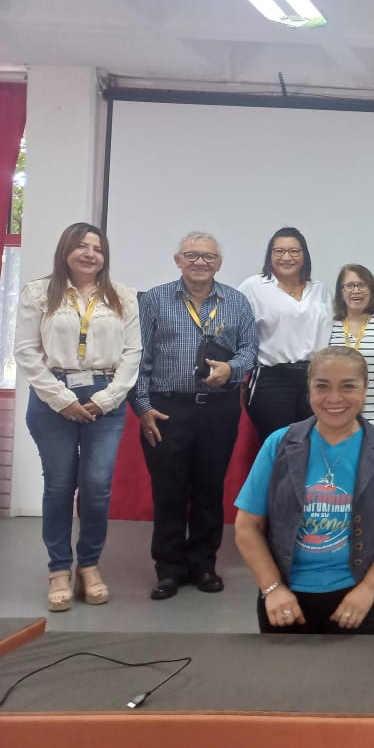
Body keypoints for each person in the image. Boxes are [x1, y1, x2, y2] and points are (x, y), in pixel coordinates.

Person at [233, 347, 374, 634]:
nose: (334, 398)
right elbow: (247, 526)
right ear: (308, 388)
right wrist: (273, 588)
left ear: (365, 389)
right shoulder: (278, 444)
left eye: (348, 386)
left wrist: (368, 589)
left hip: (361, 599)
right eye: (322, 386)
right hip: (286, 600)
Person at [15, 223, 141, 612]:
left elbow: (132, 354)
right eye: (82, 246)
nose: (90, 254)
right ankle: (58, 569)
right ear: (65, 251)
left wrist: (106, 399)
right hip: (52, 395)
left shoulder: (123, 296)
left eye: (97, 248)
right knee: (58, 486)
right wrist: (61, 399)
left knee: (97, 485)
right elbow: (26, 350)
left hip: (106, 397)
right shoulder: (39, 292)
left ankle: (88, 566)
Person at [134, 232, 258, 600]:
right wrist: (142, 407)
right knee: (168, 490)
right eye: (191, 255)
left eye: (208, 256)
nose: (200, 262)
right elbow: (137, 355)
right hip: (167, 409)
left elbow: (250, 351)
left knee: (209, 488)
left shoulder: (236, 301)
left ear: (219, 263)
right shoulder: (155, 299)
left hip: (219, 409)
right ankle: (169, 569)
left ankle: (204, 565)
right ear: (178, 260)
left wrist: (231, 369)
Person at [239, 227, 332, 442]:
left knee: (312, 443)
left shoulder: (320, 290)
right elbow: (233, 330)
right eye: (279, 251)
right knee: (280, 444)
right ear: (270, 255)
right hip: (273, 380)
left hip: (315, 378)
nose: (286, 257)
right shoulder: (253, 286)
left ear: (304, 255)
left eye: (294, 251)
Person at [328, 264, 374, 426]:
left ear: (371, 290)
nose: (356, 291)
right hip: (337, 413)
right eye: (349, 286)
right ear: (341, 292)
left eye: (362, 285)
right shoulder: (330, 325)